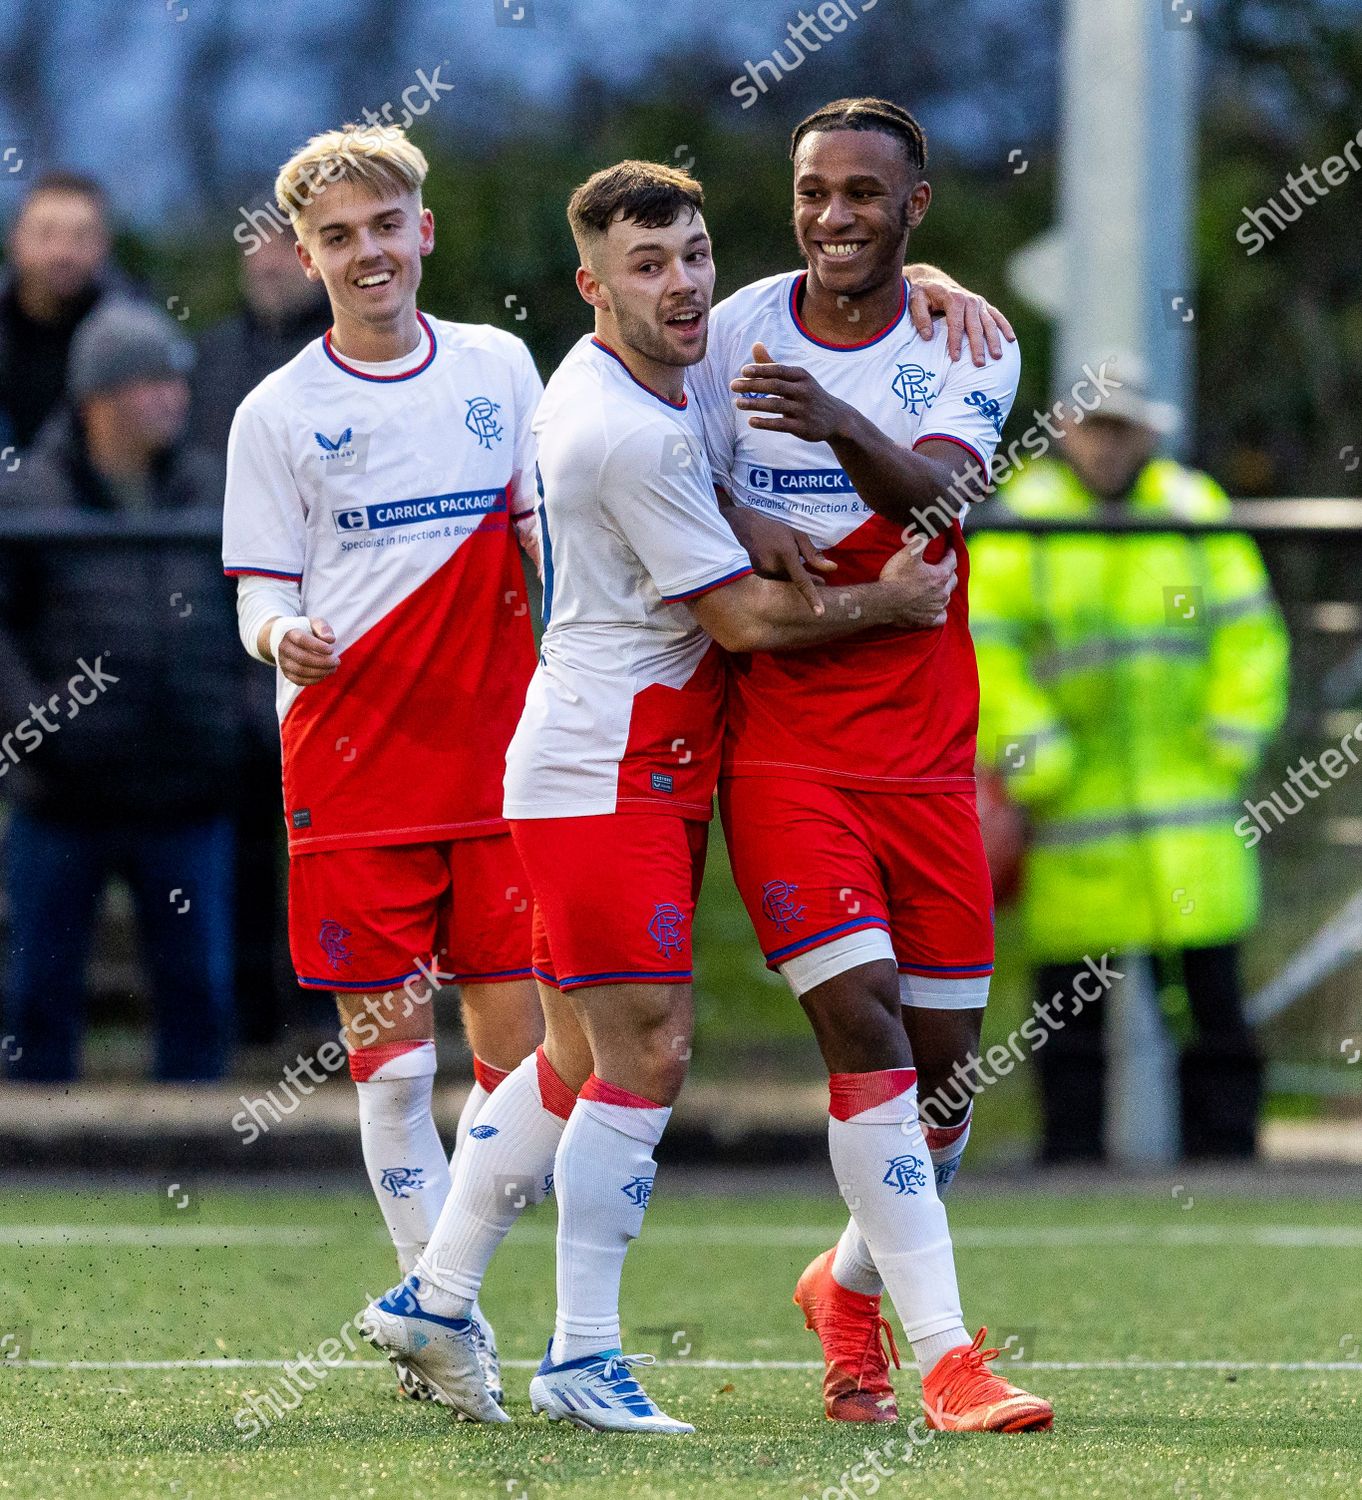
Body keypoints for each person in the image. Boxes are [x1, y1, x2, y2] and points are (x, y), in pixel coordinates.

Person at [359, 159, 957, 1433]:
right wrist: (886, 604)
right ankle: (583, 1353)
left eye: (694, 256)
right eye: (648, 267)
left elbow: (708, 455)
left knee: (575, 1067)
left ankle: (437, 1292)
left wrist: (926, 280)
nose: (684, 286)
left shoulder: (639, 379)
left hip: (618, 762)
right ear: (593, 287)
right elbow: (741, 621)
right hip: (607, 768)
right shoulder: (622, 424)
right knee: (649, 1056)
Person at [687, 96, 1052, 1432]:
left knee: (945, 1088)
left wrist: (833, 417)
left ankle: (843, 1292)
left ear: (916, 208)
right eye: (809, 191)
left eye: (860, 192)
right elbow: (647, 458)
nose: (831, 215)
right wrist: (733, 505)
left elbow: (943, 501)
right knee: (866, 1035)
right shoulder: (728, 331)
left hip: (926, 759)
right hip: (781, 754)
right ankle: (951, 1358)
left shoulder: (970, 340)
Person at [220, 123, 545, 1408]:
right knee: (396, 1070)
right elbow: (258, 583)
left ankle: (437, 1298)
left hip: (507, 761)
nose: (368, 253)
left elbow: (545, 538)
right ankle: (447, 1327)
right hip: (350, 763)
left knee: (523, 1070)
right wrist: (275, 635)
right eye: (338, 236)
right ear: (306, 256)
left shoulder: (500, 365)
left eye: (385, 226)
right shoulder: (277, 411)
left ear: (424, 228)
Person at [969, 365, 1289, 1162]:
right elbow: (985, 652)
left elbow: (1250, 637)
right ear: (1064, 429)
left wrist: (1232, 736)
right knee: (1069, 1027)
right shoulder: (1023, 523)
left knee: (1213, 1014)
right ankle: (1070, 1174)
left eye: (1122, 428)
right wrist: (1030, 752)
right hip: (1074, 820)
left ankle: (1229, 1178)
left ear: (1150, 432)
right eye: (1093, 426)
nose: (1107, 445)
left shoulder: (1191, 509)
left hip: (1191, 815)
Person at [0, 302, 242, 1082]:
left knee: (200, 997)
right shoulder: (30, 493)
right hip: (61, 799)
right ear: (96, 397)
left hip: (188, 792)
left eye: (177, 380)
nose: (173, 397)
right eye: (150, 383)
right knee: (37, 996)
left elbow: (266, 603)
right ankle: (33, 1182)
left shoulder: (214, 483)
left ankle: (201, 1184)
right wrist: (37, 725)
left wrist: (241, 724)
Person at [189, 216, 331, 1050]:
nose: (271, 262)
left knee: (320, 831)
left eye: (287, 246)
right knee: (243, 833)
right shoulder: (209, 361)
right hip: (222, 635)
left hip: (331, 628)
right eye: (258, 245)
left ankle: (320, 1003)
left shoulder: (345, 358)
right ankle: (251, 1014)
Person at [0, 172, 140, 456]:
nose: (63, 252)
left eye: (81, 236)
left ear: (105, 244)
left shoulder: (139, 338)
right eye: (46, 234)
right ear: (15, 240)